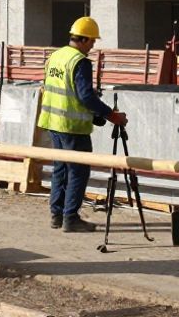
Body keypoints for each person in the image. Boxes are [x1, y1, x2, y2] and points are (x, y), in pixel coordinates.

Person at [36, 16, 127, 233]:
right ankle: (71, 218)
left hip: (53, 122)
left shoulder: (56, 56)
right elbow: (85, 96)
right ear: (84, 39)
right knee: (78, 170)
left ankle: (56, 215)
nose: (93, 46)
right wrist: (111, 115)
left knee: (60, 168)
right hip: (72, 126)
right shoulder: (80, 61)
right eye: (92, 42)